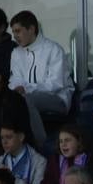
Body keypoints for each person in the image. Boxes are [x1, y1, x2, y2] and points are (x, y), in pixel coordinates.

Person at [6, 12, 72, 146]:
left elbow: (55, 84)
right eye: (13, 32)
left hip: (58, 98)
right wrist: (17, 88)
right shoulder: (16, 53)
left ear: (31, 29)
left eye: (18, 31)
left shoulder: (53, 49)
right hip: (26, 97)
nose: (15, 36)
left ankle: (39, 144)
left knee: (27, 99)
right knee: (7, 101)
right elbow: (15, 80)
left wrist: (26, 89)